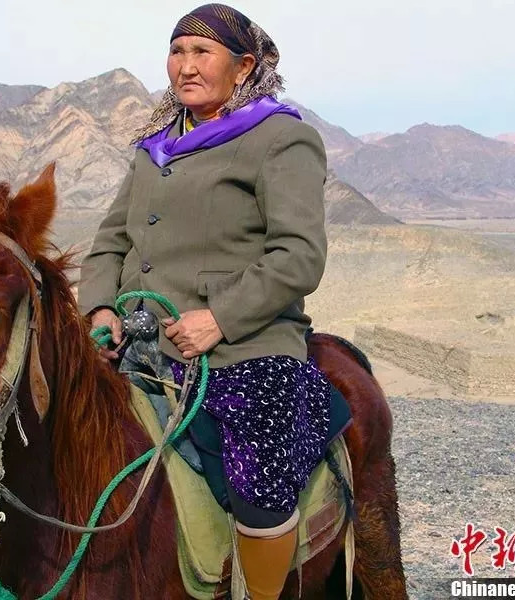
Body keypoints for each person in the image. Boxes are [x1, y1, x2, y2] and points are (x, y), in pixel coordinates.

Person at [78, 4, 331, 598]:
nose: (186, 66)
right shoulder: (154, 148)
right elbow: (110, 242)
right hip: (136, 339)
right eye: (177, 52)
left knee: (260, 475)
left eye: (202, 52)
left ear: (243, 67)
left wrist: (219, 319)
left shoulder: (281, 139)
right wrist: (100, 308)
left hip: (243, 344)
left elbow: (299, 255)